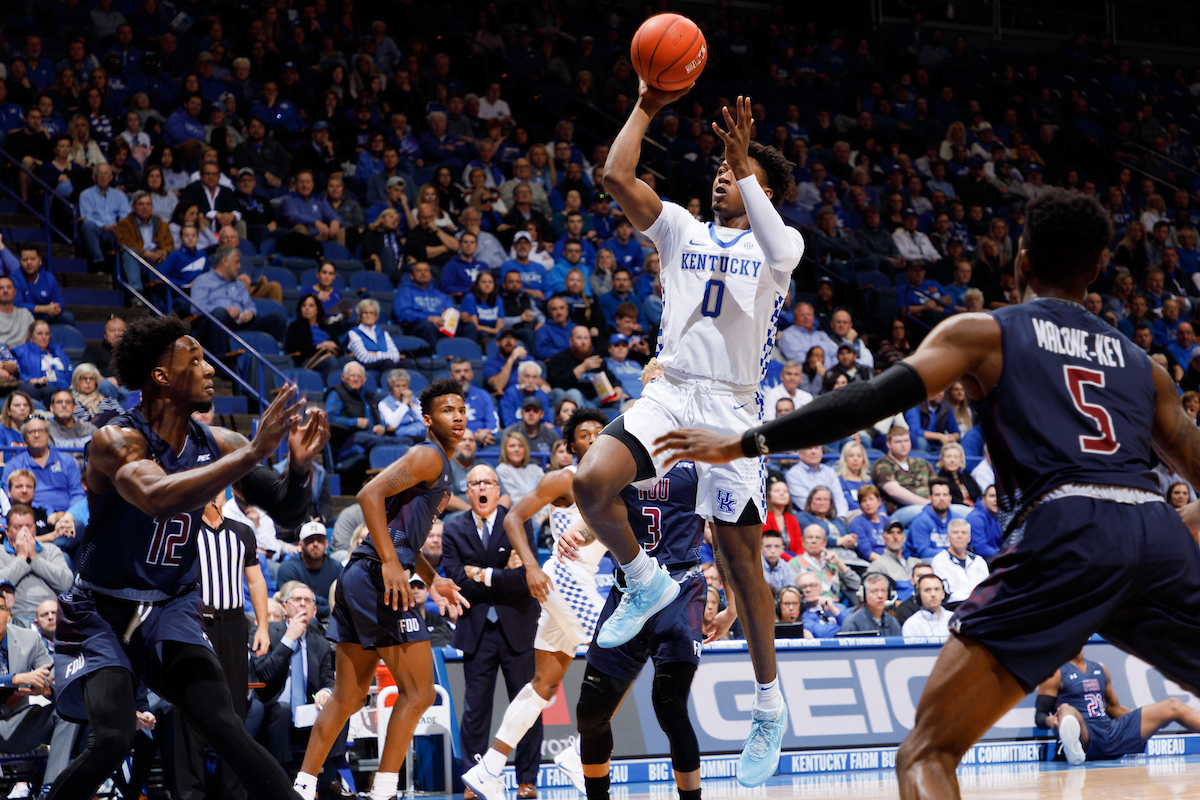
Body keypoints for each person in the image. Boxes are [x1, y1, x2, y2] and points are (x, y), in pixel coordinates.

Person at [652, 189, 1200, 798]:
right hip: (1154, 532)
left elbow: (870, 400)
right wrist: (1168, 530)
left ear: (1018, 262)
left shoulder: (986, 332)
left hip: (1062, 529)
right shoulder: (1143, 367)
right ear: (1099, 269)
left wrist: (745, 443)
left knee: (927, 754)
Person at [572, 92, 804, 785]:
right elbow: (615, 177)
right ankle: (642, 581)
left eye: (736, 172)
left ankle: (769, 708)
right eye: (721, 167)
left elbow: (782, 241)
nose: (722, 176)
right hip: (671, 390)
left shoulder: (777, 247)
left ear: (763, 188)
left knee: (742, 568)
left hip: (733, 410)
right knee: (591, 483)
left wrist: (749, 167)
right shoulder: (679, 227)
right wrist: (644, 104)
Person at [46, 314, 329, 799]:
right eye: (194, 360)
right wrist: (253, 453)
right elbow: (158, 497)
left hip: (171, 602)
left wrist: (299, 469)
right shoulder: (114, 440)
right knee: (113, 737)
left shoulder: (221, 443)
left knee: (225, 723)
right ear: (160, 376)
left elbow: (285, 508)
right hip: (101, 608)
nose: (209, 369)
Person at [292, 379, 468, 800]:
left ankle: (301, 787)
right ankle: (383, 792)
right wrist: (392, 563)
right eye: (447, 410)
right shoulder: (428, 455)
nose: (458, 415)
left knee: (348, 697)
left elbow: (403, 534)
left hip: (362, 575)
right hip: (376, 576)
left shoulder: (441, 462)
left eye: (461, 408)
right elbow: (369, 492)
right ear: (428, 420)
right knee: (420, 691)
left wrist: (431, 577)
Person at [460, 409, 608, 800]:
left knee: (543, 684)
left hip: (580, 582)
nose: (592, 438)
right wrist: (529, 567)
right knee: (620, 650)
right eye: (584, 434)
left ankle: (490, 766)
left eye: (599, 432)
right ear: (571, 446)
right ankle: (580, 750)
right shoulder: (565, 478)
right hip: (563, 579)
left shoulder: (614, 483)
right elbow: (514, 518)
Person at [550, 459, 706, 800]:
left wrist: (732, 604)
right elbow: (601, 510)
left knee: (669, 705)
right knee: (589, 715)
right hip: (629, 588)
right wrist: (576, 533)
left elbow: (725, 534)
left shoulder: (702, 457)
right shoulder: (626, 450)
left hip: (680, 589)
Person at [441, 463, 542, 795]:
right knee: (475, 711)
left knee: (526, 707)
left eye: (488, 482)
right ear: (467, 491)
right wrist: (501, 574)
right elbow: (455, 579)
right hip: (477, 631)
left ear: (498, 490)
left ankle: (527, 780)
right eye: (475, 483)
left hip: (518, 627)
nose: (482, 487)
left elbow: (524, 577)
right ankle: (474, 779)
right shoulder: (453, 530)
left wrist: (480, 574)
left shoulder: (518, 522)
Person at [1036, 649, 1200, 766]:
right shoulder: (1055, 673)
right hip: (1086, 735)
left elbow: (1114, 709)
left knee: (1172, 705)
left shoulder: (1099, 668)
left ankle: (1074, 746)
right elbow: (1040, 716)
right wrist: (1053, 722)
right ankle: (1073, 749)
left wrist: (1143, 719)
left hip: (1110, 731)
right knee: (1066, 710)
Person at [251, 582, 342, 787]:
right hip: (271, 713)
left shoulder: (320, 642)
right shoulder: (266, 632)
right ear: (284, 608)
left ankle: (330, 781)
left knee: (337, 707)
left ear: (314, 610)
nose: (302, 604)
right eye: (296, 600)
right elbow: (265, 675)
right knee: (282, 710)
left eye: (307, 601)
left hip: (308, 714)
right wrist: (289, 638)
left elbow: (328, 679)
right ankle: (281, 780)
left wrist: (326, 691)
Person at [0, 580, 79, 794]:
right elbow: (15, 679)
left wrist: (46, 688)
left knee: (67, 710)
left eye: (0, 609)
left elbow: (53, 674)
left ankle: (51, 789)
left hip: (18, 725)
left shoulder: (29, 639)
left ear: (9, 616)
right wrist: (16, 679)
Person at [188, 246, 287, 358]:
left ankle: (275, 358)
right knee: (220, 313)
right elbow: (196, 308)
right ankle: (223, 362)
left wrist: (249, 312)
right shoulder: (203, 280)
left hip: (240, 323)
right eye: (236, 262)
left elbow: (250, 305)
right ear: (224, 261)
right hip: (215, 325)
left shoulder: (239, 283)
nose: (239, 266)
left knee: (278, 319)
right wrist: (226, 310)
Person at [1, 417, 84, 515]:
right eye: (32, 432)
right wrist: (48, 514)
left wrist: (69, 515)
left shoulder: (67, 461)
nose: (37, 435)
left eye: (41, 431)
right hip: (32, 517)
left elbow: (78, 494)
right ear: (24, 438)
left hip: (68, 516)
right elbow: (13, 499)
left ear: (48, 434)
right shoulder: (13, 466)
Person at [325, 361, 394, 460]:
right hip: (346, 438)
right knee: (377, 440)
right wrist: (355, 422)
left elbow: (379, 418)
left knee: (405, 441)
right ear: (343, 377)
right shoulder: (337, 393)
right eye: (352, 375)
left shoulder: (368, 396)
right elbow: (329, 418)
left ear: (364, 379)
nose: (355, 379)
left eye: (359, 376)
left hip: (371, 435)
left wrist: (382, 427)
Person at [276, 521, 341, 623]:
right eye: (310, 540)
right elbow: (292, 607)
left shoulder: (337, 568)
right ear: (301, 545)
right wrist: (328, 608)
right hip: (298, 621)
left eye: (319, 540)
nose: (315, 544)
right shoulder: (288, 568)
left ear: (326, 544)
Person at [871, 426, 937, 526]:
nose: (903, 445)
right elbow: (893, 491)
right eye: (898, 442)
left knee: (961, 512)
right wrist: (927, 504)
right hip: (900, 511)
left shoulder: (922, 463)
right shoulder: (883, 465)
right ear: (888, 444)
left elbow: (938, 486)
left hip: (931, 507)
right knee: (924, 512)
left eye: (906, 440)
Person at [929, 519, 988, 602]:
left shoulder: (979, 561)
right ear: (948, 537)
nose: (959, 536)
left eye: (963, 533)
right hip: (955, 606)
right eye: (955, 532)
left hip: (981, 604)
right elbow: (947, 593)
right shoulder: (940, 560)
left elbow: (987, 588)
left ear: (969, 538)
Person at [11, 246, 72, 326]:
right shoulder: (15, 278)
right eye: (25, 259)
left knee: (67, 317)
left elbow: (59, 302)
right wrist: (45, 309)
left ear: (40, 261)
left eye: (32, 259)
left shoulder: (49, 278)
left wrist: (55, 309)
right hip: (23, 319)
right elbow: (17, 304)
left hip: (45, 318)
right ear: (20, 262)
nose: (29, 263)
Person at [14, 321, 72, 404]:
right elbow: (16, 374)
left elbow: (70, 369)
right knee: (51, 391)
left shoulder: (58, 350)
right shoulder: (21, 351)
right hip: (42, 389)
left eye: (47, 334)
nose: (44, 337)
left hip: (65, 388)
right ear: (30, 336)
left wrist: (73, 382)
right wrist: (31, 381)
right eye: (40, 334)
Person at [866, 522, 925, 602]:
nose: (895, 537)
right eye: (891, 533)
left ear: (904, 538)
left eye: (899, 533)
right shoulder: (878, 565)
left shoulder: (916, 562)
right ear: (883, 538)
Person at [797, 573, 848, 638]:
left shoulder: (837, 607)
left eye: (813, 585)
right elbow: (823, 634)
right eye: (803, 587)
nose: (808, 590)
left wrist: (834, 611)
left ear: (820, 588)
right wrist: (842, 629)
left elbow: (855, 627)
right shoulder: (801, 615)